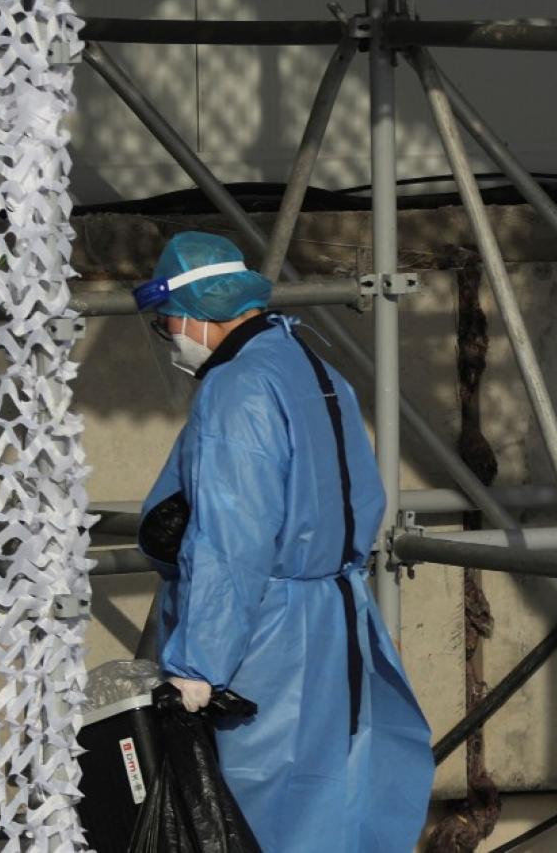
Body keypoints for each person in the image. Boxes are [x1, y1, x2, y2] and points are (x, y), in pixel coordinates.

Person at [132, 232, 433, 851]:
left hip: (267, 636)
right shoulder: (315, 369)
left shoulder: (235, 388)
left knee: (259, 813)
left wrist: (198, 668)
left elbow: (231, 541)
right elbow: (363, 498)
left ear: (197, 311)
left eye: (167, 326)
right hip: (339, 620)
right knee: (340, 800)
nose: (171, 341)